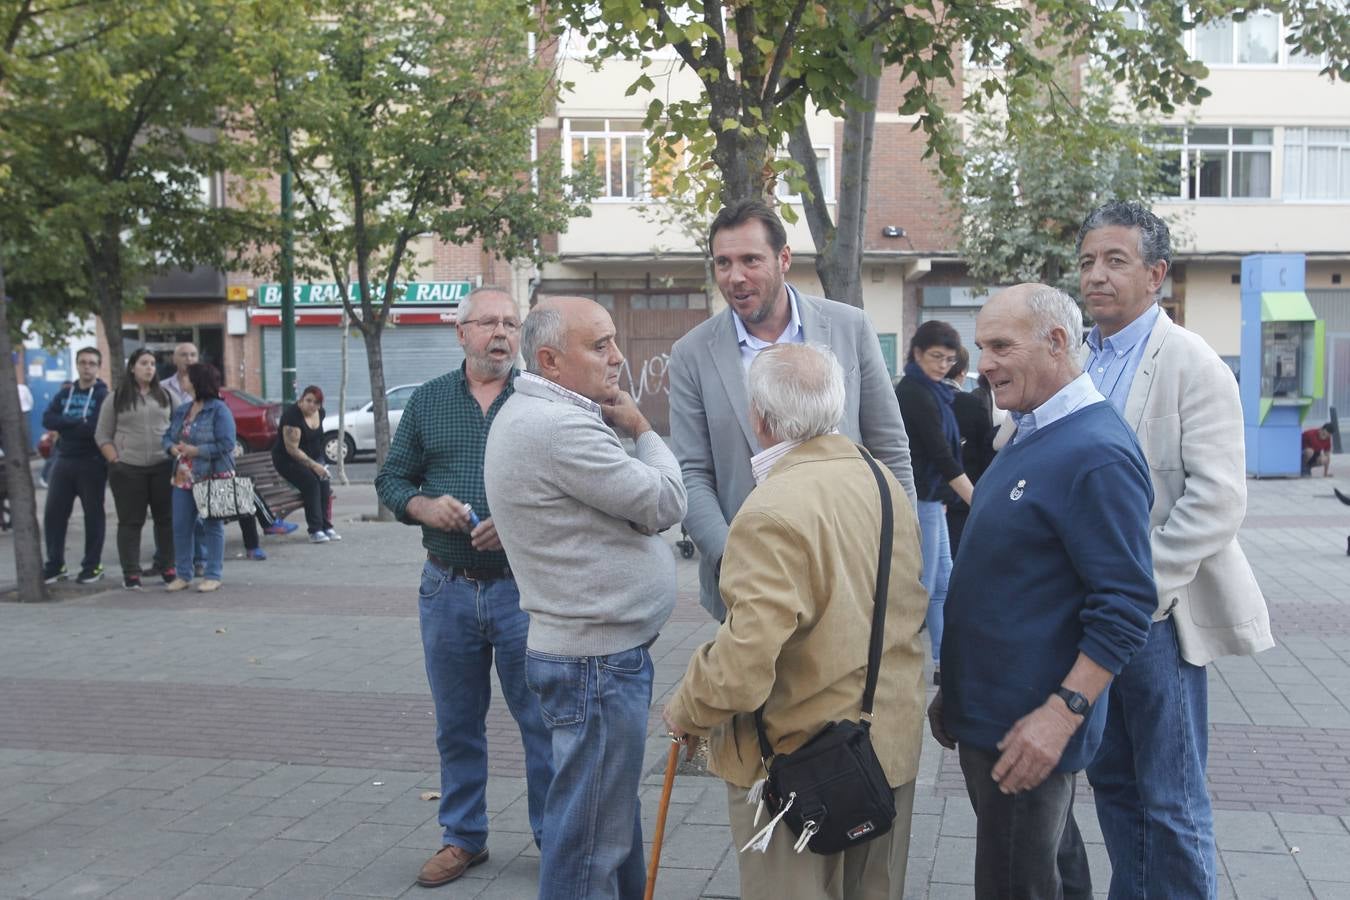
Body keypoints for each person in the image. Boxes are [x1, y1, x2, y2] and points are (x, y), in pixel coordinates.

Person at [663, 343, 927, 900]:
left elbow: (741, 667)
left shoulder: (769, 509)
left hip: (799, 765)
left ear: (758, 418)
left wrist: (686, 709)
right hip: (886, 743)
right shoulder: (880, 479)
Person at [1073, 201, 1273, 899]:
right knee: (1114, 787)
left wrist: (1139, 586)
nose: (1097, 276)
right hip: (1090, 616)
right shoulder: (1079, 362)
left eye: (1116, 261)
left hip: (1159, 615)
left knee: (1172, 798)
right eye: (1089, 262)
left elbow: (1219, 499)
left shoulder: (1192, 363)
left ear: (1156, 274)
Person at [929, 284, 1155, 900]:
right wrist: (958, 686)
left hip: (1029, 727)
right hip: (997, 715)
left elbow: (1127, 606)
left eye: (1001, 345)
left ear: (1058, 342)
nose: (985, 364)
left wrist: (1062, 715)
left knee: (1016, 883)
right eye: (981, 347)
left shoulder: (1095, 453)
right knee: (1049, 871)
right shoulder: (1032, 429)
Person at [484, 296, 687, 900]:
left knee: (605, 822)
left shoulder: (547, 414)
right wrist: (644, 429)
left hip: (595, 657)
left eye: (614, 341)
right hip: (594, 664)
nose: (618, 358)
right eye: (599, 346)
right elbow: (666, 502)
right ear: (549, 359)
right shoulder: (558, 426)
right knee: (587, 846)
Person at [375, 287, 554, 889]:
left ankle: (553, 838)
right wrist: (423, 507)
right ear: (461, 333)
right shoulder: (428, 402)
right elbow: (392, 479)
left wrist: (518, 523)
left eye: (510, 323)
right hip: (446, 588)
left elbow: (573, 488)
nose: (500, 333)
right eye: (487, 323)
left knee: (540, 720)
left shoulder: (540, 400)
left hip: (523, 592)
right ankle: (462, 838)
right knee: (456, 722)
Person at [669, 198, 915, 622]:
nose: (735, 276)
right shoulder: (691, 353)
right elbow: (691, 473)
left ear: (784, 258)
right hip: (750, 586)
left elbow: (889, 448)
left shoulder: (849, 327)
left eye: (750, 259)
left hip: (853, 566)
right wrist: (734, 559)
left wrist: (903, 552)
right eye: (723, 262)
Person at [895, 320, 973, 683]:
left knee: (945, 582)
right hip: (919, 497)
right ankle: (898, 657)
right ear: (917, 353)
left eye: (949, 359)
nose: (943, 365)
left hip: (934, 498)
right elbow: (941, 454)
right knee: (924, 586)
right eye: (936, 357)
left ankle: (945, 662)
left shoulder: (937, 392)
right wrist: (976, 499)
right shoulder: (913, 392)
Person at [95, 349, 176, 590]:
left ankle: (168, 566)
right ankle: (131, 572)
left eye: (152, 363)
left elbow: (181, 426)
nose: (149, 368)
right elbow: (102, 434)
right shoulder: (117, 397)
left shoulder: (166, 396)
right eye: (144, 363)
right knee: (130, 522)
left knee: (166, 520)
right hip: (128, 469)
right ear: (132, 367)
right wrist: (115, 461)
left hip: (163, 466)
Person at [162, 363, 236, 593]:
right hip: (183, 476)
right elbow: (167, 437)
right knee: (181, 525)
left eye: (186, 377)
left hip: (212, 475)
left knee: (212, 526)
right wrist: (172, 448)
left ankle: (213, 574)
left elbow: (227, 444)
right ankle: (183, 573)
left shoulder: (219, 410)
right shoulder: (183, 409)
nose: (182, 381)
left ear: (197, 381)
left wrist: (198, 451)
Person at [41, 347, 110, 584]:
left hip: (91, 462)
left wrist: (65, 425)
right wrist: (75, 422)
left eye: (92, 363)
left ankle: (92, 566)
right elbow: (47, 418)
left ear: (98, 367)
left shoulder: (103, 395)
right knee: (53, 514)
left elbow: (94, 428)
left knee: (94, 516)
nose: (87, 367)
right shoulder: (65, 394)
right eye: (83, 362)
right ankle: (55, 565)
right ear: (77, 365)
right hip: (63, 460)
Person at [272, 385, 339, 543]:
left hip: (312, 458)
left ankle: (326, 526)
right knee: (311, 482)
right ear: (302, 399)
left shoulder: (320, 413)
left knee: (323, 481)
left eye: (316, 403)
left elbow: (316, 440)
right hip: (287, 460)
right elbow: (292, 450)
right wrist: (314, 466)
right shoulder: (292, 417)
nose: (312, 405)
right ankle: (315, 530)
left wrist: (321, 464)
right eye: (308, 401)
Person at [946, 352, 998, 558]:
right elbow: (986, 453)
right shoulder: (972, 404)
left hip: (928, 498)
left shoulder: (920, 399)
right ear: (962, 372)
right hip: (966, 499)